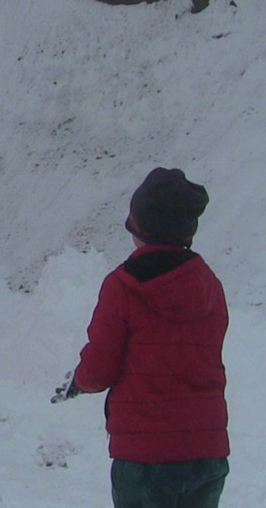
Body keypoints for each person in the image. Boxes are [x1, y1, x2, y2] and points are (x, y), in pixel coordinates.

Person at [61, 167, 229, 508]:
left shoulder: (123, 285)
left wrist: (79, 381)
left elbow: (98, 370)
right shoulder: (209, 283)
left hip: (146, 457)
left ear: (139, 228)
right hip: (207, 452)